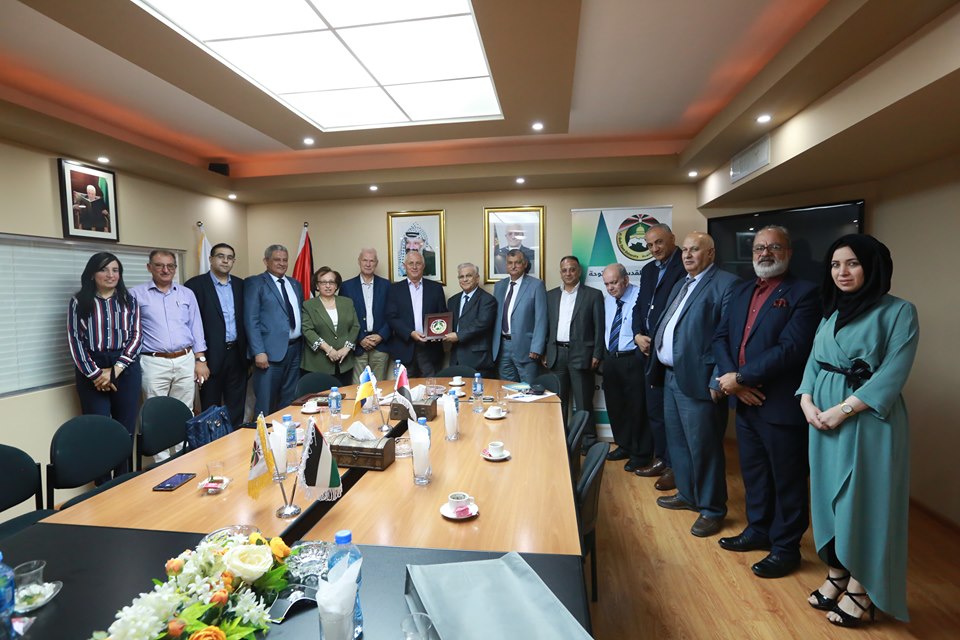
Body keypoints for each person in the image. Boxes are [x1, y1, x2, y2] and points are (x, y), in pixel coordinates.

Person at [798, 234, 918, 627]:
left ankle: (862, 590)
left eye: (852, 263)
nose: (842, 272)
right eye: (835, 265)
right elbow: (813, 364)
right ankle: (837, 574)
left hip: (868, 422)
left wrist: (843, 410)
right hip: (823, 421)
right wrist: (807, 401)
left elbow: (893, 373)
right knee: (828, 499)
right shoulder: (831, 312)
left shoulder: (899, 312)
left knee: (864, 503)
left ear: (873, 266)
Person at [711, 226, 820, 578]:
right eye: (759, 247)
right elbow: (721, 337)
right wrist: (734, 383)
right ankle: (758, 530)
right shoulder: (742, 290)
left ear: (788, 252)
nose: (765, 253)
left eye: (774, 246)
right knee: (755, 473)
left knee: (787, 479)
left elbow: (792, 348)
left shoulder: (805, 293)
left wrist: (740, 378)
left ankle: (786, 548)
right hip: (746, 402)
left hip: (780, 404)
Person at [648, 232, 739, 538]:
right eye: (685, 250)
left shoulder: (726, 284)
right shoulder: (682, 283)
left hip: (701, 380)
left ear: (710, 253)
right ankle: (688, 494)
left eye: (694, 250)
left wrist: (717, 378)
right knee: (678, 443)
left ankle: (712, 509)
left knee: (704, 448)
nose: (687, 255)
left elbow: (729, 336)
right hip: (671, 376)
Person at [130, 251, 208, 457]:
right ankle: (162, 463)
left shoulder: (186, 294)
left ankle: (184, 458)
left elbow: (196, 327)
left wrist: (200, 359)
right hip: (153, 361)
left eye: (170, 266)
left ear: (175, 268)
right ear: (149, 267)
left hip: (185, 359)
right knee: (156, 414)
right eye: (159, 265)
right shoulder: (135, 295)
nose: (165, 270)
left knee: (185, 411)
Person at [67, 253, 143, 465]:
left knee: (125, 429)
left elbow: (136, 336)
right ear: (92, 274)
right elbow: (75, 340)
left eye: (115, 270)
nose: (110, 275)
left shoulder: (129, 300)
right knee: (98, 429)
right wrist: (96, 375)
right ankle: (103, 481)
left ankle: (124, 478)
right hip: (92, 368)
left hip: (125, 366)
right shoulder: (79, 302)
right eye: (104, 270)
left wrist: (116, 369)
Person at [632, 223, 685, 489]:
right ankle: (661, 459)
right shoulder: (648, 270)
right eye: (650, 245)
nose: (654, 249)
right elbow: (639, 306)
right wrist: (637, 334)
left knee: (674, 417)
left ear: (672, 239)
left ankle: (676, 467)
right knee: (655, 411)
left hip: (671, 353)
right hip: (647, 352)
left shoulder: (685, 266)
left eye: (659, 242)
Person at [184, 242, 247, 426]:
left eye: (230, 258)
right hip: (209, 356)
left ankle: (237, 439)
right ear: (211, 259)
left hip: (237, 354)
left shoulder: (241, 285)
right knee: (210, 408)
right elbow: (190, 323)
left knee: (236, 406)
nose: (225, 261)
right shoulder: (194, 286)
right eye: (220, 256)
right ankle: (213, 441)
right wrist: (200, 358)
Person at [544, 256, 603, 437]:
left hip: (582, 355)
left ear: (579, 271)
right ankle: (560, 439)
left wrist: (597, 354)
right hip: (556, 355)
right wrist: (545, 352)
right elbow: (546, 325)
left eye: (572, 269)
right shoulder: (550, 296)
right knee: (558, 402)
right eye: (564, 270)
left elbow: (599, 327)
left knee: (584, 403)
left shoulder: (593, 295)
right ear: (560, 272)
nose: (568, 273)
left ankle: (588, 441)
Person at [600, 263, 649, 472]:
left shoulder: (640, 297)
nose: (610, 288)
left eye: (614, 283)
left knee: (637, 408)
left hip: (633, 359)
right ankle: (624, 445)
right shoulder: (608, 301)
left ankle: (640, 453)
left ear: (626, 280)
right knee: (616, 406)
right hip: (612, 359)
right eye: (606, 284)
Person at [244, 244, 304, 416]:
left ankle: (285, 432)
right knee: (266, 402)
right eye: (277, 259)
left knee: (289, 401)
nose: (282, 263)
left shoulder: (295, 284)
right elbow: (251, 320)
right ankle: (263, 434)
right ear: (266, 261)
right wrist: (258, 351)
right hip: (269, 354)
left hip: (295, 350)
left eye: (285, 260)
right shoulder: (255, 283)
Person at [384, 251, 446, 376]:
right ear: (404, 266)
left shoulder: (436, 288)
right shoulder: (394, 289)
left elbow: (442, 315)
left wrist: (437, 333)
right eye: (411, 263)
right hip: (404, 348)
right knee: (405, 386)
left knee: (432, 385)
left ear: (423, 266)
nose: (414, 267)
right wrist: (410, 333)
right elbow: (391, 317)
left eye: (418, 263)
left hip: (430, 349)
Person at [492, 249, 547, 383]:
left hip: (526, 347)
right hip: (502, 346)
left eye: (517, 262)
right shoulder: (499, 286)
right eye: (510, 263)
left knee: (529, 389)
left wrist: (537, 347)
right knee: (507, 388)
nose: (513, 266)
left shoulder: (536, 285)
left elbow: (541, 319)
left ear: (525, 264)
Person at [301, 267, 359, 386]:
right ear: (317, 285)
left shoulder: (347, 302)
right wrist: (328, 349)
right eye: (323, 282)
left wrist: (346, 348)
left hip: (344, 362)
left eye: (331, 282)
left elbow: (355, 326)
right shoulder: (308, 305)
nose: (328, 286)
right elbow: (308, 330)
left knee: (344, 395)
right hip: (318, 363)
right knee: (321, 396)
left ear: (336, 285)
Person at [340, 248, 392, 382]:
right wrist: (360, 338)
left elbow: (392, 315)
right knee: (358, 388)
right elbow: (344, 318)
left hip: (380, 346)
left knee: (379, 387)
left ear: (376, 263)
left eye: (372, 261)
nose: (368, 264)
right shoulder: (346, 286)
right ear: (359, 261)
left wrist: (381, 336)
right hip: (358, 346)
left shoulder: (386, 285)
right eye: (365, 260)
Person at [444, 262, 497, 376]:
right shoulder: (453, 300)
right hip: (456, 357)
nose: (465, 279)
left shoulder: (487, 300)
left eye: (468, 276)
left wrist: (458, 336)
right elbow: (448, 324)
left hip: (478, 359)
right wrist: (437, 334)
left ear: (477, 278)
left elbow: (482, 324)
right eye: (461, 276)